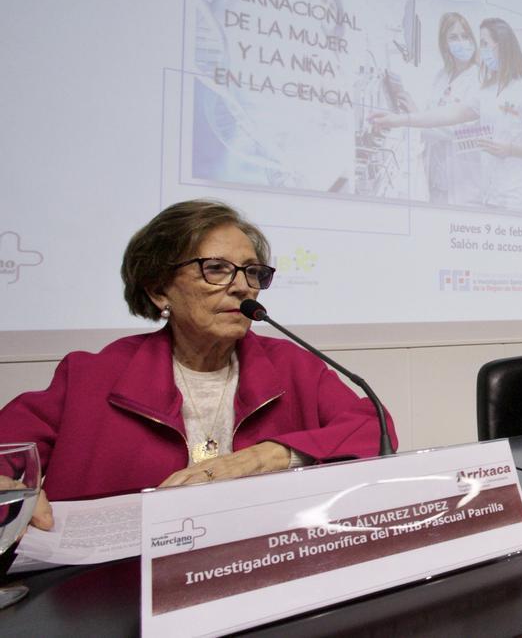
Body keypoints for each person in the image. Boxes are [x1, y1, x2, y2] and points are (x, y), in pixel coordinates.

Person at [0, 200, 397, 530]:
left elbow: (375, 428)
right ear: (158, 290)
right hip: (114, 589)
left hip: (262, 561)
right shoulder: (90, 376)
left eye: (252, 272)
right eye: (217, 269)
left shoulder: (293, 366)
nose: (242, 286)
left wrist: (266, 457)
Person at [369, 17, 522, 212]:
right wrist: (398, 120)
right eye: (480, 43)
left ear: (501, 46)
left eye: (484, 43)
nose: (480, 50)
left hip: (517, 196)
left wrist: (510, 149)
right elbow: (445, 115)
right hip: (490, 196)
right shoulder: (486, 94)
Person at [389, 12, 485, 206]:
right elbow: (430, 118)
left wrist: (416, 117)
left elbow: (457, 129)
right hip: (436, 179)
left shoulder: (480, 79)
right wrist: (412, 113)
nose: (461, 42)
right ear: (444, 44)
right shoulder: (441, 76)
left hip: (464, 184)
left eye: (465, 36)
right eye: (453, 37)